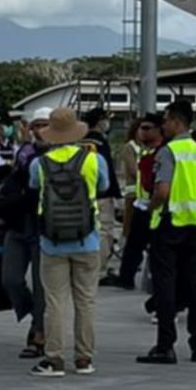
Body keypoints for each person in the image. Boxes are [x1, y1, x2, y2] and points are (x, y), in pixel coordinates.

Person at [27, 108, 110, 377]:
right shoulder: (94, 160)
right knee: (86, 301)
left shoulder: (39, 164)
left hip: (52, 242)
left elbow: (33, 187)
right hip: (88, 240)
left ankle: (54, 359)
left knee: (55, 302)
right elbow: (103, 187)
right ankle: (84, 358)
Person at [137, 100, 196, 365]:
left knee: (165, 285)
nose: (163, 125)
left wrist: (150, 205)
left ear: (177, 122)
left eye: (166, 120)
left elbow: (164, 190)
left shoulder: (168, 152)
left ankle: (165, 345)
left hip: (169, 224)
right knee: (194, 285)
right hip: (195, 224)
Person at [0, 107, 51, 359]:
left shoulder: (61, 155)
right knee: (11, 279)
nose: (39, 130)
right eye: (35, 125)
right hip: (18, 224)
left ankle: (37, 332)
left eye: (44, 125)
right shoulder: (23, 154)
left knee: (41, 285)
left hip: (44, 227)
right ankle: (35, 313)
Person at [106, 114, 164, 290]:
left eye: (147, 128)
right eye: (141, 128)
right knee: (133, 244)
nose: (142, 132)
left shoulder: (163, 152)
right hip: (141, 202)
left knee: (156, 248)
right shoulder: (143, 151)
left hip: (156, 206)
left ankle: (154, 280)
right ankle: (126, 277)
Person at [100, 116, 143, 288]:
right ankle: (126, 267)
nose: (144, 133)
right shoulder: (129, 148)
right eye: (142, 129)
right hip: (133, 196)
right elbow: (133, 171)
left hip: (145, 197)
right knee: (129, 232)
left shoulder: (147, 148)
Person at [81, 107, 121, 278]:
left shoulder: (80, 141)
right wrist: (116, 194)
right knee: (104, 232)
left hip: (82, 193)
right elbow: (108, 171)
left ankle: (85, 267)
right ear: (99, 121)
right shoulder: (100, 142)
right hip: (102, 194)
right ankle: (100, 270)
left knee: (87, 231)